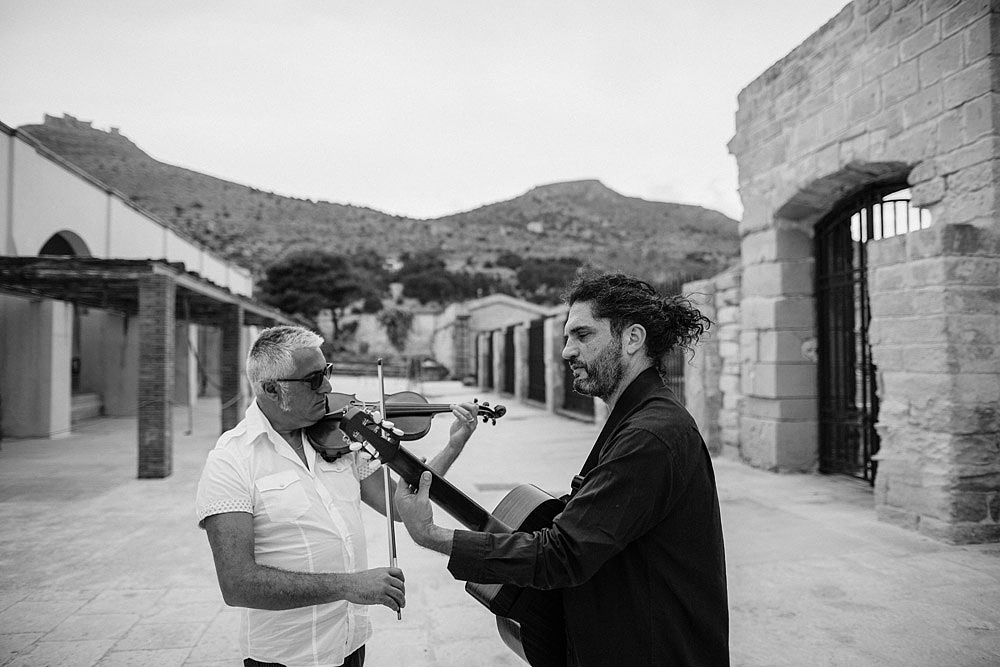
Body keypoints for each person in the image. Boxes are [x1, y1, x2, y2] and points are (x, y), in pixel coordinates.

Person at [394, 272, 729, 667]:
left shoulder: (650, 435)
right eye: (567, 337)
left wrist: (429, 534)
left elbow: (563, 554)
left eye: (583, 335)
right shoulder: (637, 419)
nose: (568, 351)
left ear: (632, 339)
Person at [195, 325, 480, 667]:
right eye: (314, 379)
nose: (328, 387)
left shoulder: (342, 439)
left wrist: (453, 445)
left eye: (326, 372)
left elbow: (401, 506)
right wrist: (348, 586)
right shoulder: (231, 460)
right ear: (272, 389)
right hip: (286, 658)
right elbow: (237, 584)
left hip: (350, 647)